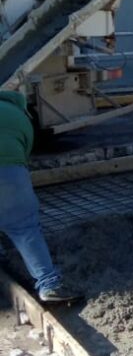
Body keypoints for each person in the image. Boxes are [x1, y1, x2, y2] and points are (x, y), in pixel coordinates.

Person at [0, 90, 82, 303]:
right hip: (9, 171)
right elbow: (23, 152)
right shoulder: (19, 116)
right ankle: (49, 284)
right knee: (24, 227)